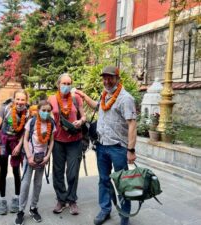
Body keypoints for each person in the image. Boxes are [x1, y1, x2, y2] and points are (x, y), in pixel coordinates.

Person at [76, 66, 137, 225]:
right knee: (103, 180)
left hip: (118, 148)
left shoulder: (125, 98)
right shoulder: (104, 96)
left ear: (117, 78)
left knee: (122, 182)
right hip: (101, 146)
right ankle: (105, 209)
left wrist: (131, 150)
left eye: (110, 77)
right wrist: (83, 95)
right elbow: (97, 106)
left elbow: (132, 125)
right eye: (104, 78)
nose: (107, 81)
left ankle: (125, 216)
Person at [48, 73, 86, 215]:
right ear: (58, 84)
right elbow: (46, 115)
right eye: (63, 83)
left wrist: (80, 121)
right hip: (57, 141)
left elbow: (84, 116)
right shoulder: (51, 99)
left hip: (75, 141)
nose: (66, 86)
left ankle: (72, 200)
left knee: (72, 173)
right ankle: (61, 199)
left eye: (69, 83)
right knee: (58, 172)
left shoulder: (76, 98)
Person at [15, 100, 56, 225]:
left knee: (38, 184)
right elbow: (26, 139)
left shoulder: (51, 123)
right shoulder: (31, 122)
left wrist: (47, 156)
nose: (46, 113)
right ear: (38, 110)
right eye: (43, 110)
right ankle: (21, 210)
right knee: (25, 184)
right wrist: (29, 156)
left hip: (42, 159)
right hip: (30, 158)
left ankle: (33, 208)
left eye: (48, 111)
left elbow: (52, 141)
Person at [0, 89, 29, 215]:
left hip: (16, 143)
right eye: (17, 99)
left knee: (16, 171)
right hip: (3, 141)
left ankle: (16, 198)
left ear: (26, 101)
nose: (20, 102)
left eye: (22, 99)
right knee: (3, 171)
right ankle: (2, 200)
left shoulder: (28, 112)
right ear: (14, 99)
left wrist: (19, 146)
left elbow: (25, 132)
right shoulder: (5, 108)